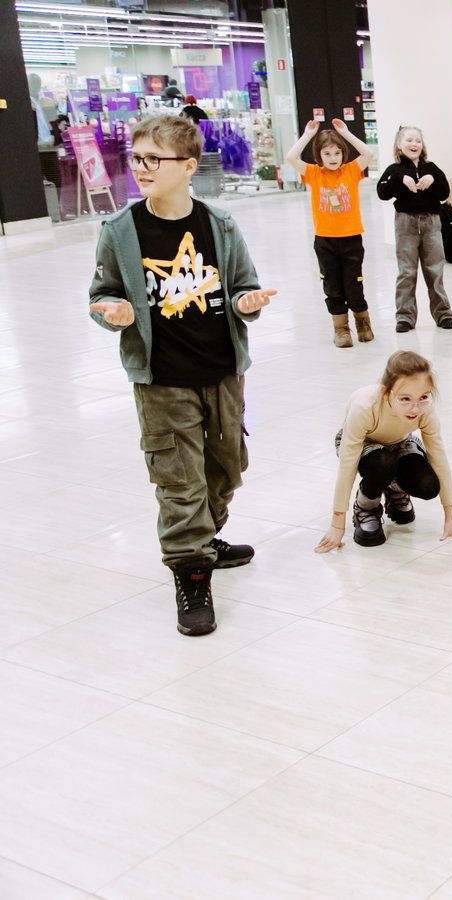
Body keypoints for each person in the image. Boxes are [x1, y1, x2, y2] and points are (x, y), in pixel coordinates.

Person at [87, 115, 277, 637]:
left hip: (222, 372)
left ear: (189, 166)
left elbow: (243, 286)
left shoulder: (220, 225)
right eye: (137, 158)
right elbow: (101, 295)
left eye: (154, 158)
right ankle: (190, 570)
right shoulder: (120, 231)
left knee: (228, 466)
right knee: (178, 479)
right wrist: (114, 313)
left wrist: (247, 302)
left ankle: (204, 538)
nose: (141, 167)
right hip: (162, 380)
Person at [318, 351, 452, 552]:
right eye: (405, 399)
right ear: (387, 392)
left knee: (428, 486)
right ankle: (366, 506)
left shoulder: (425, 410)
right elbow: (347, 465)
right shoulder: (365, 406)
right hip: (365, 446)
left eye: (423, 397)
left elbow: (438, 457)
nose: (415, 409)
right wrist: (337, 525)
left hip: (400, 443)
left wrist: (450, 519)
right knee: (383, 463)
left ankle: (393, 487)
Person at [285, 118, 376, 348]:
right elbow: (291, 158)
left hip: (351, 239)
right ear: (319, 155)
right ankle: (341, 329)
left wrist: (345, 133)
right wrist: (307, 135)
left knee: (354, 285)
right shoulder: (314, 173)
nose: (333, 158)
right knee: (332, 286)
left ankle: (363, 324)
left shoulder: (351, 170)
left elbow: (368, 153)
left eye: (337, 153)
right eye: (327, 154)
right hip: (325, 240)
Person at [375, 125, 452, 332]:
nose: (414, 144)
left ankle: (443, 314)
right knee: (407, 272)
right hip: (405, 223)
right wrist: (400, 179)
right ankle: (405, 317)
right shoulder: (394, 170)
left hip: (431, 222)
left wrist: (433, 179)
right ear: (399, 145)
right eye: (409, 140)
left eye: (418, 140)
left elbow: (444, 193)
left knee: (435, 270)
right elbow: (382, 192)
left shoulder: (432, 168)